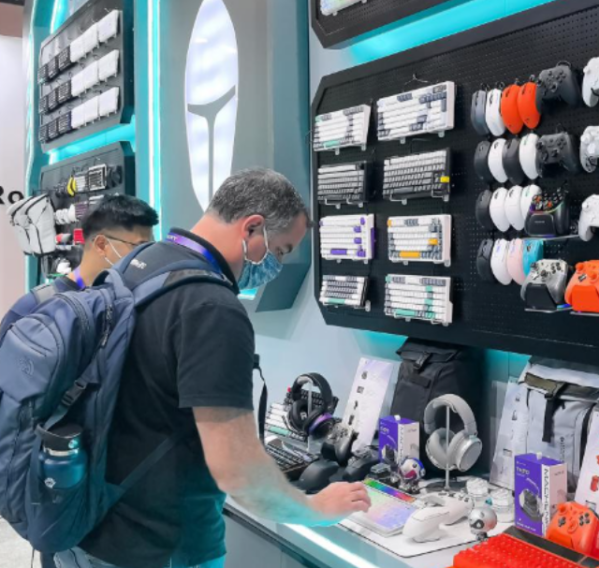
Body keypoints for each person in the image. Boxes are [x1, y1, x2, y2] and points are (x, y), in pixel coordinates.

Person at [56, 169, 371, 568]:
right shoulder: (211, 307)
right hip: (160, 546)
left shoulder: (139, 262)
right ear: (252, 228)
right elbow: (238, 473)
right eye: (281, 250)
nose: (277, 265)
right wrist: (317, 508)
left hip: (87, 523)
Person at [0, 193, 159, 340]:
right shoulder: (35, 306)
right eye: (140, 246)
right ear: (101, 245)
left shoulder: (127, 304)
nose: (145, 255)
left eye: (151, 247)